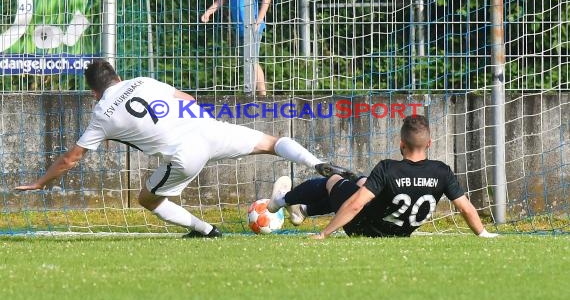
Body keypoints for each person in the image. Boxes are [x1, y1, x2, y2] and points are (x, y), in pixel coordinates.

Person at [14, 60, 342, 238]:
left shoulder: (101, 113)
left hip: (186, 154)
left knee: (147, 198)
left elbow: (72, 159)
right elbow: (187, 100)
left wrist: (41, 183)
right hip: (208, 128)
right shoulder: (143, 81)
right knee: (271, 143)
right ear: (117, 76)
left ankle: (205, 230)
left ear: (94, 92)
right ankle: (316, 162)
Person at [268, 115, 499, 239]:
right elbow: (465, 208)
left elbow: (356, 206)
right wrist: (483, 233)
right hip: (399, 233)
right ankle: (305, 211)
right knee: (361, 182)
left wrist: (324, 233)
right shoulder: (442, 171)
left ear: (401, 143)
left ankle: (282, 200)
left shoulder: (388, 168)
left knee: (334, 182)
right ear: (429, 144)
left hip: (363, 227)